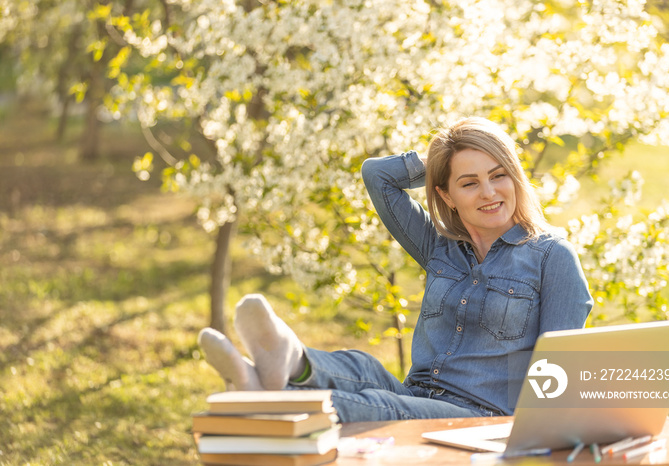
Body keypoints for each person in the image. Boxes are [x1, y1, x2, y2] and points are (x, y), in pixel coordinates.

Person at [197, 116, 593, 422]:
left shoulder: (552, 257)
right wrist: (443, 155)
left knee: (378, 407)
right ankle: (287, 360)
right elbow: (378, 175)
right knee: (360, 365)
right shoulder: (440, 247)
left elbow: (556, 374)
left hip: (482, 419)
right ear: (445, 194)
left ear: (515, 177)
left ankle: (261, 395)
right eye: (469, 183)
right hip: (415, 395)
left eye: (498, 174)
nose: (489, 193)